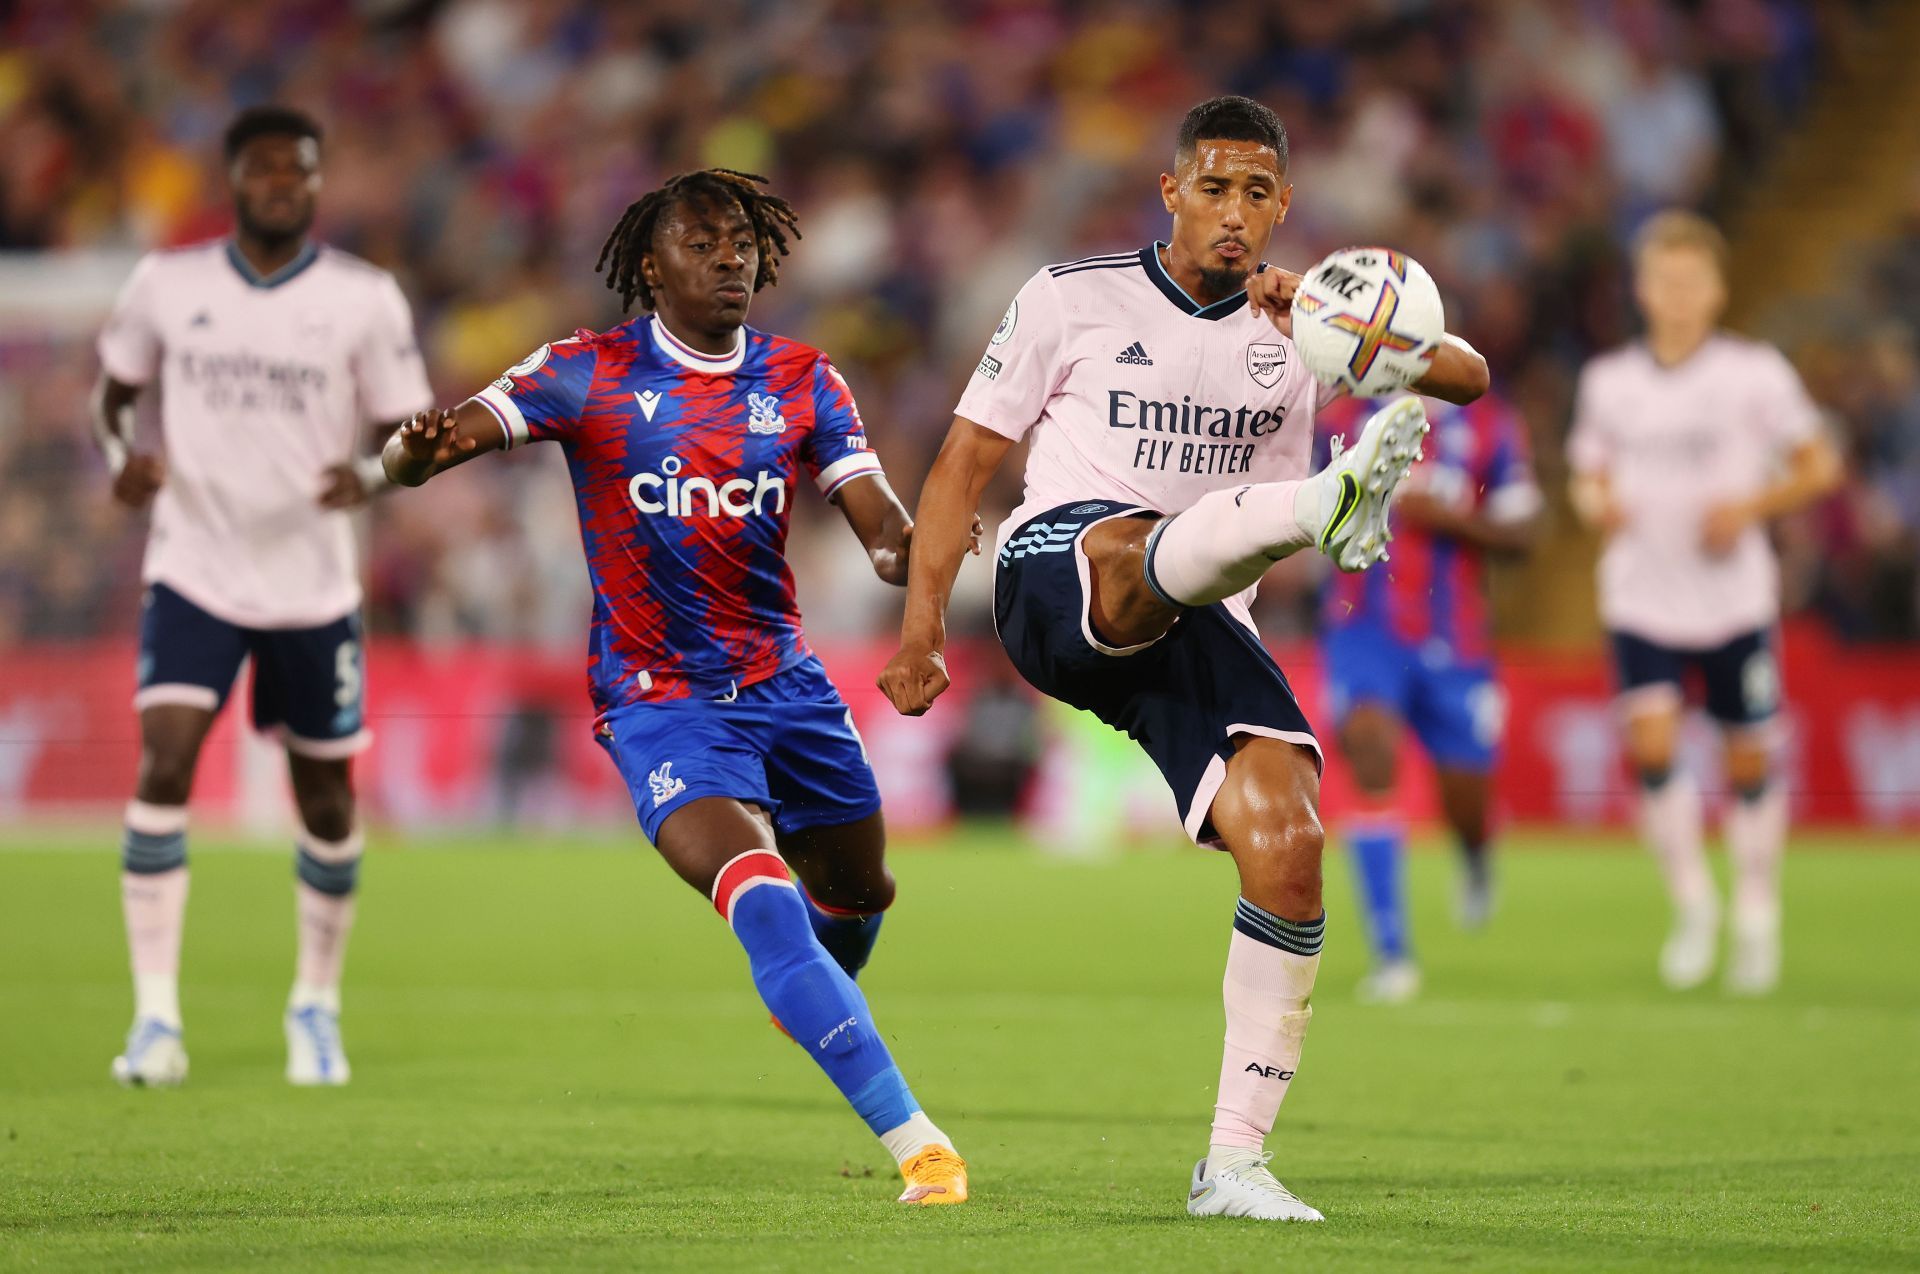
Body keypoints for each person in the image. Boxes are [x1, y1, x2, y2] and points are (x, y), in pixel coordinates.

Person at [879, 95, 1490, 1221]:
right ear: (1171, 193)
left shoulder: (1307, 325)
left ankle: (1233, 1163)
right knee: (1127, 547)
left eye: (1258, 192)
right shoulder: (1070, 297)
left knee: (1290, 839)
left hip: (1205, 611)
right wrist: (922, 634)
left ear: (1284, 208)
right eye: (1213, 185)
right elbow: (963, 463)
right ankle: (1321, 505)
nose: (1235, 211)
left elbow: (1466, 376)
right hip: (1057, 576)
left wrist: (1316, 307)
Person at [382, 168, 973, 1205]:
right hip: (658, 702)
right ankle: (920, 1142)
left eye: (741, 240)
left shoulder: (802, 378)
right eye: (703, 243)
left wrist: (923, 562)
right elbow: (433, 444)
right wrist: (412, 454)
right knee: (766, 902)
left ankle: (808, 993)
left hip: (788, 687)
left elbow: (880, 527)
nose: (730, 257)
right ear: (651, 267)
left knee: (857, 895)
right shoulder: (588, 370)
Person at [92, 106, 433, 1088]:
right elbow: (111, 395)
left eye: (300, 170)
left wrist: (369, 478)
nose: (283, 182)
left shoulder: (364, 298)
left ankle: (314, 1004)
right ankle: (155, 1017)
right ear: (234, 177)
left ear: (319, 184)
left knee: (325, 793)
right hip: (193, 566)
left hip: (313, 580)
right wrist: (122, 457)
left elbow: (414, 433)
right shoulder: (168, 282)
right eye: (266, 168)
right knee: (165, 761)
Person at [1568, 211, 1840, 994]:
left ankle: (1757, 907)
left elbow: (1819, 465)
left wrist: (1749, 508)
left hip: (1733, 597)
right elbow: (1588, 476)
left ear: (1717, 290)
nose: (1678, 296)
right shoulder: (1609, 382)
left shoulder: (1755, 373)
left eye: (1692, 282)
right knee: (1653, 749)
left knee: (1748, 760)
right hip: (1641, 595)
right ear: (1643, 290)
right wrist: (1598, 505)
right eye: (1664, 281)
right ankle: (1694, 908)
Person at [1317, 391, 1540, 1004]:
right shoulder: (1340, 419)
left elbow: (1525, 534)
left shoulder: (1490, 425)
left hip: (1455, 638)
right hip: (1363, 626)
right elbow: (1294, 504)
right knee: (1369, 753)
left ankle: (1474, 854)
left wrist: (1447, 519)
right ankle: (1391, 952)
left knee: (1465, 800)